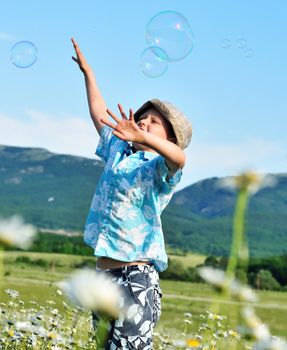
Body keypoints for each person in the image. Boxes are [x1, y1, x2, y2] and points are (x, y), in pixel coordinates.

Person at [71, 38, 193, 349]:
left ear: (168, 138)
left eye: (154, 122)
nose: (143, 122)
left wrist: (146, 140)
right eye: (142, 118)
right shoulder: (117, 150)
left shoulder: (158, 167)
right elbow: (99, 113)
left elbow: (179, 158)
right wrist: (89, 75)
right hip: (103, 277)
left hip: (135, 278)